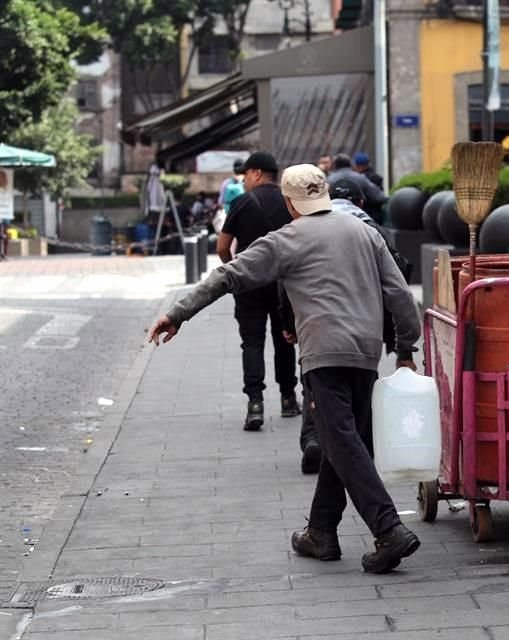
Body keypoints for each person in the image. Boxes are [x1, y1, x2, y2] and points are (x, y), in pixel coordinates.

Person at [147, 163, 422, 574]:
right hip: (365, 354)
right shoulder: (364, 232)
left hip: (323, 355)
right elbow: (400, 293)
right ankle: (321, 532)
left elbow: (228, 275)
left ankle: (388, 529)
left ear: (290, 204)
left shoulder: (287, 239)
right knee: (340, 442)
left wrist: (178, 313)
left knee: (344, 443)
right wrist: (405, 348)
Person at [292, 181, 411, 474]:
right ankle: (328, 516)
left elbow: (286, 283)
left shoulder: (302, 230)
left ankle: (314, 439)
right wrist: (403, 345)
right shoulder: (370, 230)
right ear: (360, 202)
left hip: (320, 336)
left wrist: (287, 323)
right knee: (355, 415)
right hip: (366, 334)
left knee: (322, 403)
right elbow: (400, 287)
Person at [216, 151, 300, 430]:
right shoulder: (289, 201)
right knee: (285, 340)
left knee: (251, 343)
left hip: (249, 284)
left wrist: (236, 271)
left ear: (255, 173)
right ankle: (288, 399)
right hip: (282, 285)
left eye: (246, 175)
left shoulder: (241, 202)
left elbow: (222, 247)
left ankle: (255, 404)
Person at [326, 153, 388, 223]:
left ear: (334, 165)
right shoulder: (360, 178)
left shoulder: (329, 180)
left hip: (334, 221)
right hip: (360, 220)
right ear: (350, 164)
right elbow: (379, 197)